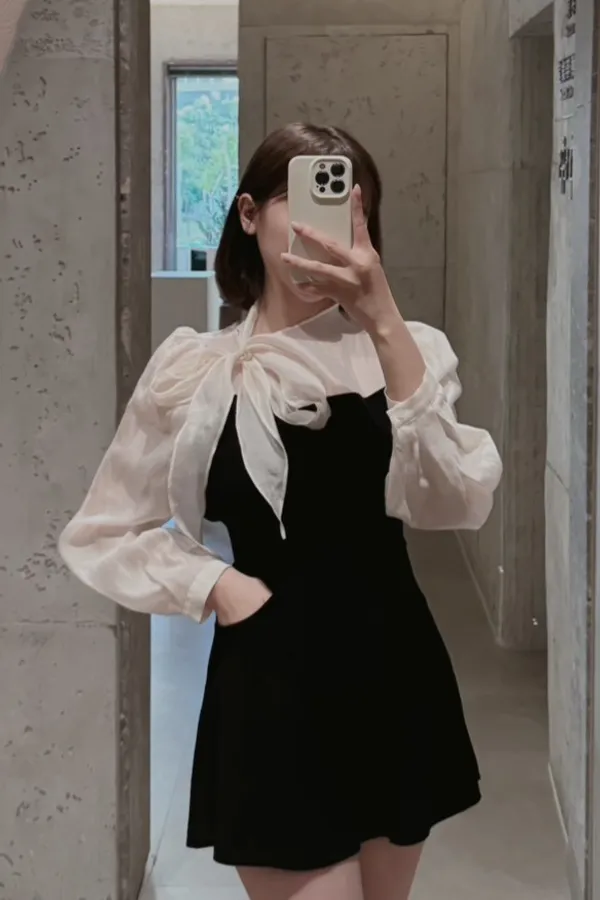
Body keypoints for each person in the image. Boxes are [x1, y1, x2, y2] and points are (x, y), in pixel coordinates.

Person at [59, 123, 502, 900]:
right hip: (270, 682)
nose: (321, 235)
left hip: (395, 669)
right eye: (303, 207)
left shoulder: (406, 351)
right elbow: (102, 530)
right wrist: (214, 583)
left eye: (347, 213)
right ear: (248, 215)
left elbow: (453, 500)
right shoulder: (196, 369)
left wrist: (384, 319)